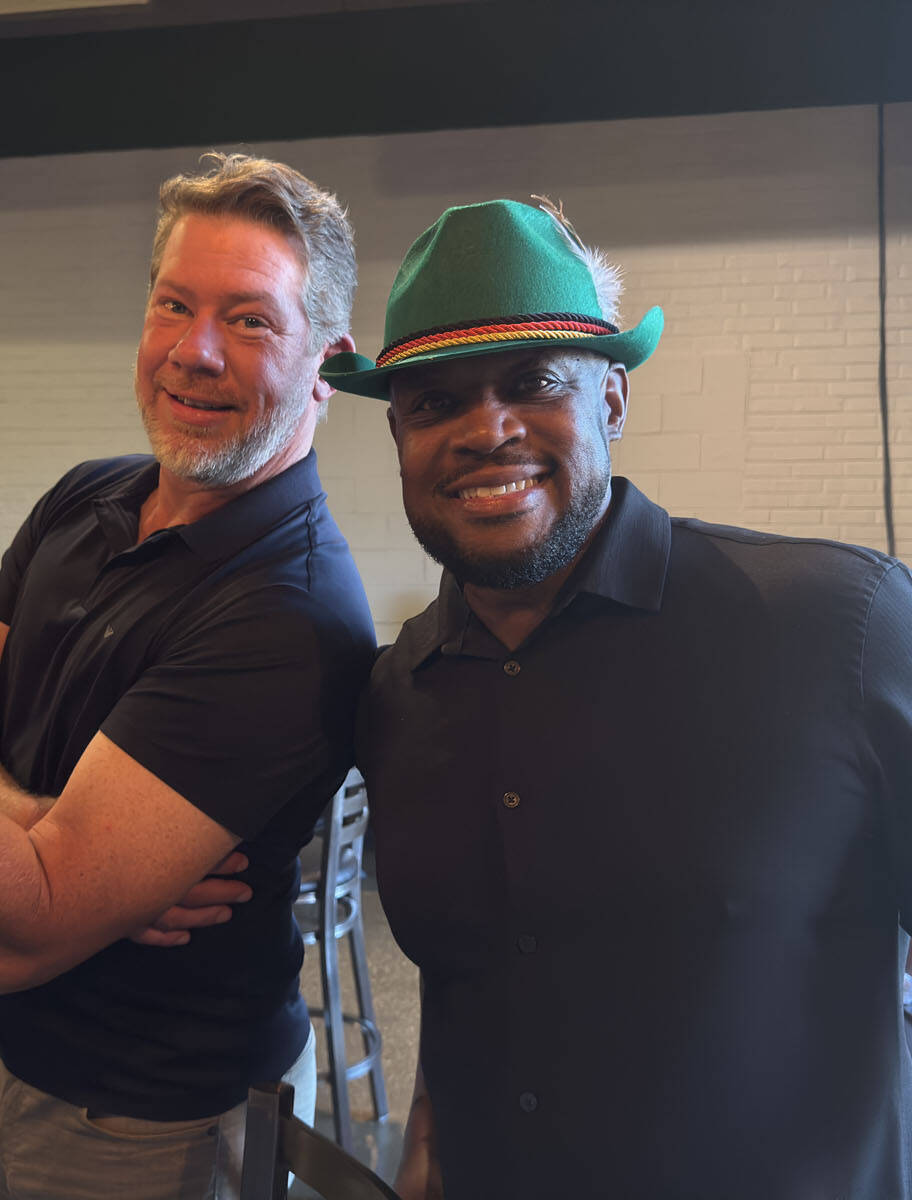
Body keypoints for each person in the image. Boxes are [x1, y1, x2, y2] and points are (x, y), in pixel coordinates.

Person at [0, 153, 376, 1200]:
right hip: (8, 1069)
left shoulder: (291, 612)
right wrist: (44, 841)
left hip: (157, 1123)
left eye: (252, 321)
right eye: (173, 305)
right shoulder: (89, 496)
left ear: (327, 358)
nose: (194, 352)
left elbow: (11, 936)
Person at [321, 198, 912, 1198]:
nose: (486, 429)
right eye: (436, 401)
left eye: (533, 382)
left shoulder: (838, 628)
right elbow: (466, 986)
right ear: (397, 436)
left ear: (613, 400)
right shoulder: (400, 688)